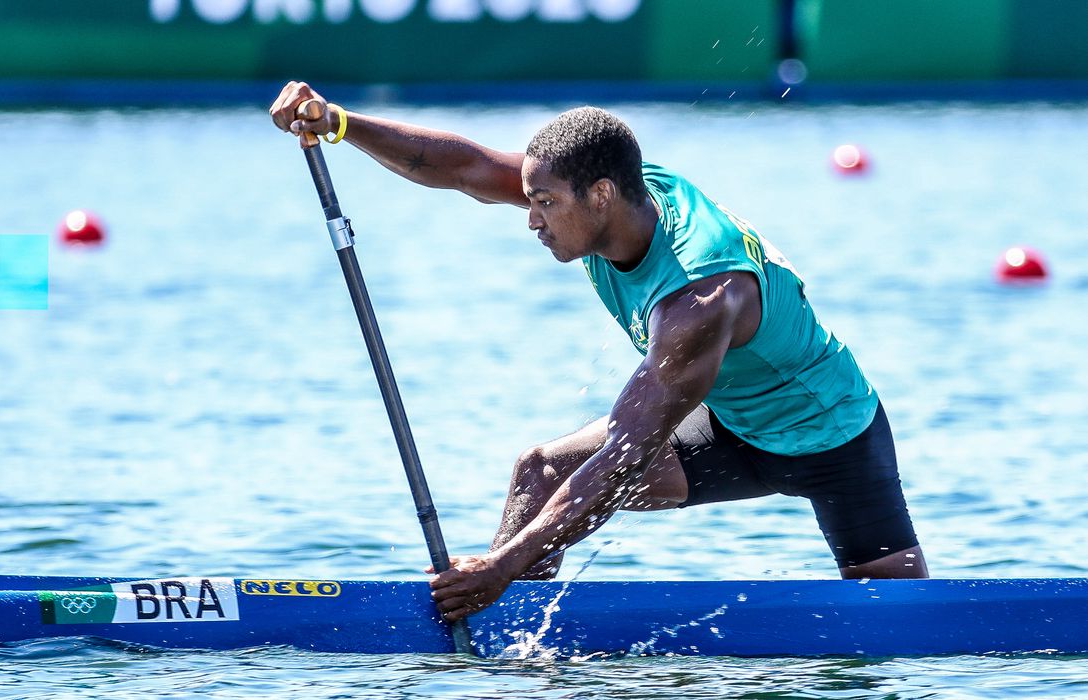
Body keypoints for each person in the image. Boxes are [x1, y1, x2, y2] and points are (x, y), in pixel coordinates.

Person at [270, 82, 929, 623]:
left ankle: (491, 589)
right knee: (543, 469)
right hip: (733, 425)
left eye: (545, 204)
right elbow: (469, 169)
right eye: (531, 200)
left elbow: (624, 456)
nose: (532, 219)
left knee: (906, 621)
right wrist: (339, 124)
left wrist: (498, 566)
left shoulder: (699, 298)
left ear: (602, 196)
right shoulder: (612, 192)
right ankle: (503, 638)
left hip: (836, 440)